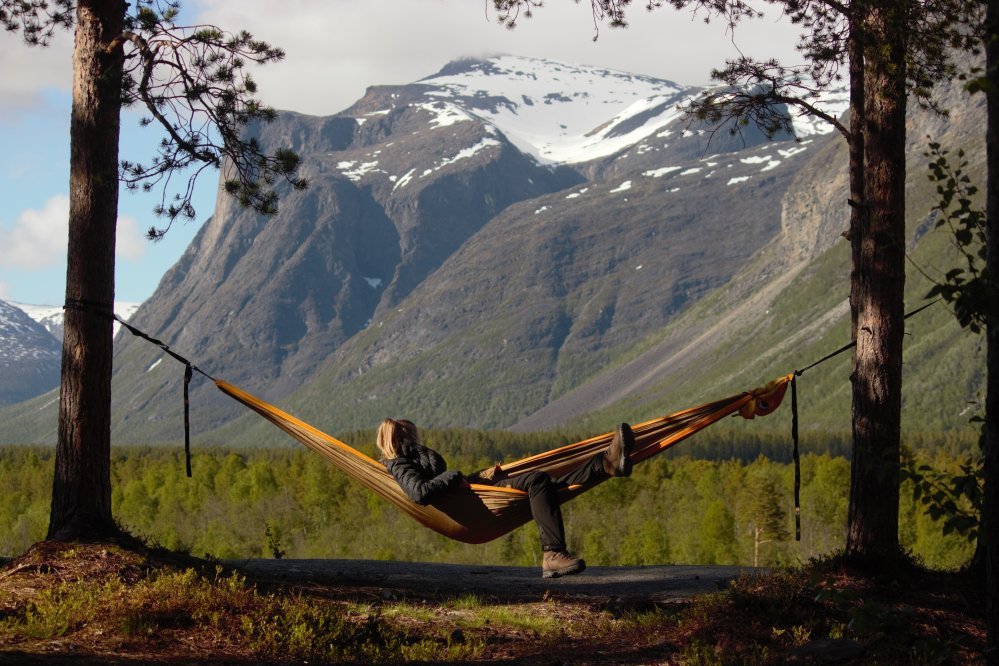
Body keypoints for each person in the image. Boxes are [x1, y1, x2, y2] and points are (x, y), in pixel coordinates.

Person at [376, 417, 634, 579]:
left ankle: (605, 464)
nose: (419, 440)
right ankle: (553, 554)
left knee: (540, 485)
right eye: (414, 436)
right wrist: (454, 476)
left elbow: (437, 481)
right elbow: (420, 493)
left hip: (472, 497)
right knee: (537, 481)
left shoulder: (410, 460)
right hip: (471, 507)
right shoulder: (398, 464)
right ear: (404, 438)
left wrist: (471, 476)